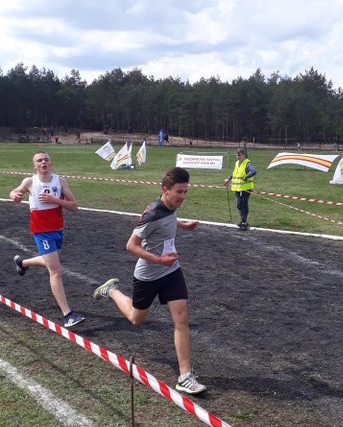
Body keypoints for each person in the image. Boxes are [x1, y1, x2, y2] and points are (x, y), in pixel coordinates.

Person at [93, 167, 206, 395]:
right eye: (179, 192)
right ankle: (112, 290)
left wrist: (183, 225)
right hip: (148, 275)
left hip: (171, 270)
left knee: (181, 318)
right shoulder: (152, 214)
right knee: (136, 319)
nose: (183, 196)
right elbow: (131, 245)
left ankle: (185, 376)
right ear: (165, 190)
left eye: (185, 192)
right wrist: (159, 260)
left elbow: (169, 219)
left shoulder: (170, 206)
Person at [9, 151, 85, 328]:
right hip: (41, 232)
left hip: (57, 230)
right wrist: (14, 196)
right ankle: (68, 315)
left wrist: (55, 200)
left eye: (46, 160)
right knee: (56, 270)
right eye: (39, 160)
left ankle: (23, 263)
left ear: (51, 163)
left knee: (50, 261)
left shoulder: (60, 181)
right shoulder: (30, 182)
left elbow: (74, 206)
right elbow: (14, 192)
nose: (43, 162)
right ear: (34, 166)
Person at [224, 148, 257, 230]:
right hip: (238, 188)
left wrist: (246, 177)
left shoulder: (247, 163)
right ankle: (243, 220)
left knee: (243, 204)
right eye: (236, 155)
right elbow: (234, 173)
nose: (237, 157)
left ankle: (244, 222)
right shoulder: (237, 163)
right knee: (239, 205)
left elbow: (254, 171)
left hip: (245, 188)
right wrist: (228, 179)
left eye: (239, 155)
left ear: (243, 155)